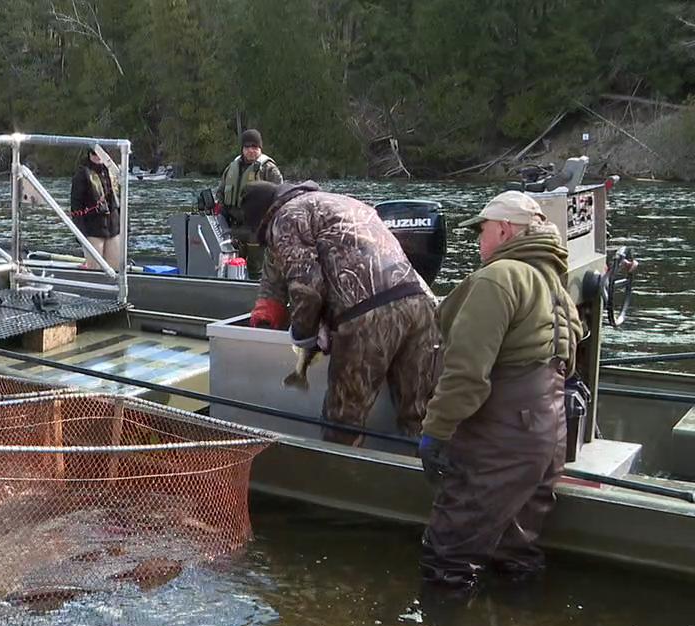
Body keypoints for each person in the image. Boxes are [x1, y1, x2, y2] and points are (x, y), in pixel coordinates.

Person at [418, 190, 583, 593]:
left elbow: (467, 374)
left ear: (505, 230)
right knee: (516, 550)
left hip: (502, 438)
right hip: (549, 433)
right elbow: (569, 361)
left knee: (449, 553)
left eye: (483, 230)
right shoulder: (555, 284)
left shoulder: (498, 277)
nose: (479, 239)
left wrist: (436, 431)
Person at [241, 180, 439, 445]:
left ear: (265, 217)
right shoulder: (339, 201)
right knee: (419, 415)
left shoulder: (286, 216)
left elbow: (306, 287)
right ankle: (422, 469)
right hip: (419, 303)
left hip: (369, 316)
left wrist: (304, 334)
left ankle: (339, 469)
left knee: (344, 422)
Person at [215, 129, 283, 279]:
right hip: (234, 227)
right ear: (242, 149)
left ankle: (257, 288)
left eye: (255, 147)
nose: (251, 150)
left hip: (257, 229)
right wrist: (221, 209)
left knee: (256, 269)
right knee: (231, 265)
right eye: (247, 147)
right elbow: (221, 192)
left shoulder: (269, 169)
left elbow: (280, 197)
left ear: (260, 148)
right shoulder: (231, 168)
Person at [69, 147, 122, 271]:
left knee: (115, 266)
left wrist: (125, 226)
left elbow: (121, 201)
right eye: (94, 153)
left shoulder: (113, 172)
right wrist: (80, 232)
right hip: (93, 230)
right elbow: (76, 205)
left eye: (101, 154)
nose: (98, 156)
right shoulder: (82, 174)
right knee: (95, 267)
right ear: (89, 154)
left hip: (113, 229)